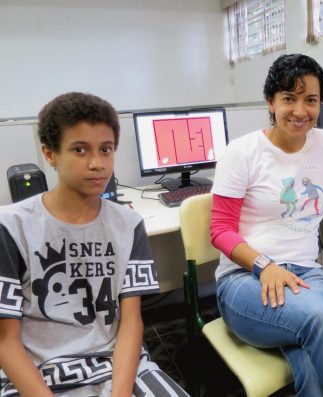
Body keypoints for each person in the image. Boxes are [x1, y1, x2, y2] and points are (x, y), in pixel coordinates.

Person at [210, 54, 323, 397]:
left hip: (308, 274)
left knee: (312, 361)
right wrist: (265, 265)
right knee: (320, 320)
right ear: (271, 102)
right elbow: (219, 229)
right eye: (289, 98)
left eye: (311, 100)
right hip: (244, 280)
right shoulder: (242, 153)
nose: (300, 110)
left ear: (321, 104)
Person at [0, 92, 189, 397]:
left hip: (117, 365)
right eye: (80, 150)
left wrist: (119, 393)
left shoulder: (129, 225)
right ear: (50, 155)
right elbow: (5, 342)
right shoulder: (11, 227)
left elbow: (131, 324)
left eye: (106, 149)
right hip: (39, 373)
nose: (96, 163)